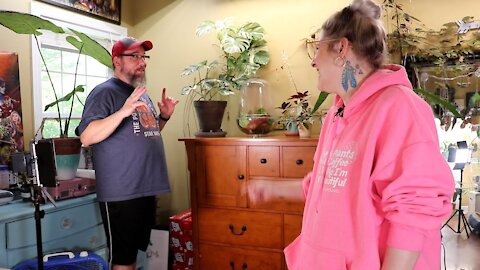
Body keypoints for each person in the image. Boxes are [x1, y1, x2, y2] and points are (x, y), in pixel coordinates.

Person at [247, 0, 455, 269]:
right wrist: (273, 189)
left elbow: (415, 209)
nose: (312, 61)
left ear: (341, 48)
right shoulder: (338, 112)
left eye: (317, 49)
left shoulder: (400, 107)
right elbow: (327, 186)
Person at [77, 37, 179, 270]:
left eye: (144, 57)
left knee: (134, 256)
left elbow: (146, 133)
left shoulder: (140, 94)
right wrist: (123, 111)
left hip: (146, 188)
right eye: (134, 56)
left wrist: (163, 117)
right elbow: (87, 136)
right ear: (117, 61)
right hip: (122, 192)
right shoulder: (104, 93)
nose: (141, 61)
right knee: (123, 259)